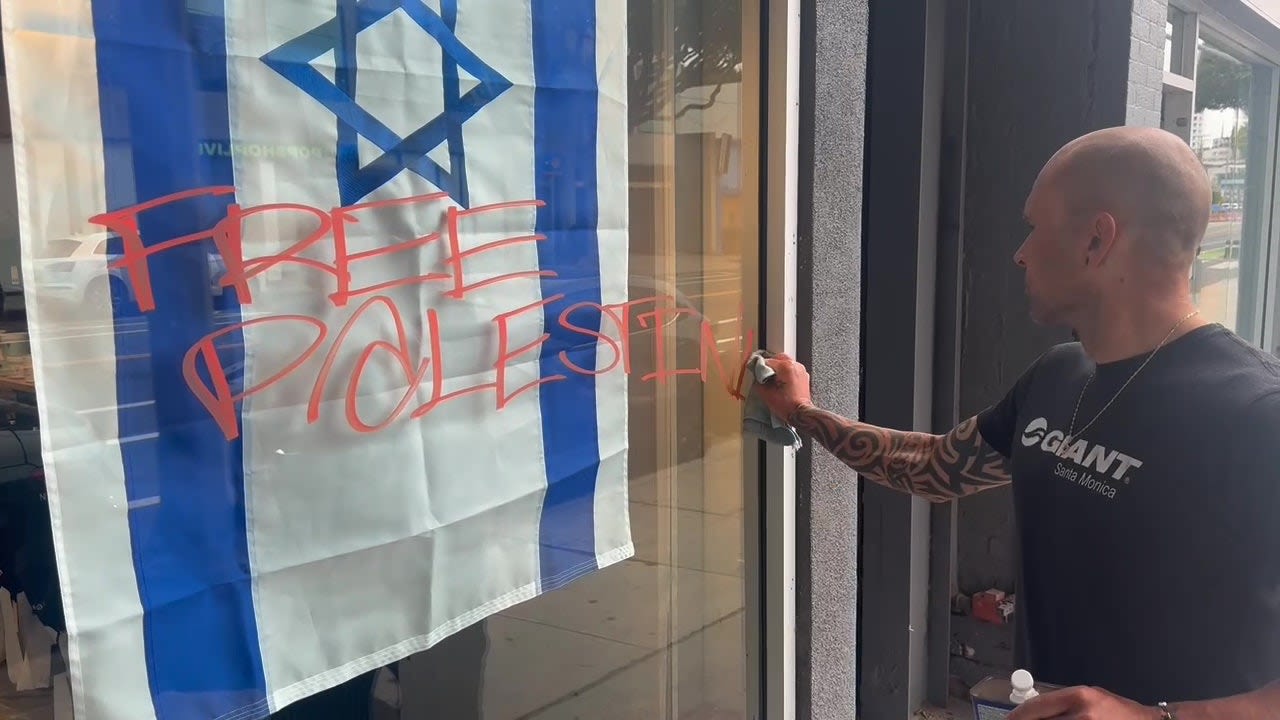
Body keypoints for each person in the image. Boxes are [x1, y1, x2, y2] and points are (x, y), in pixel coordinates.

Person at [757, 126, 1280, 719]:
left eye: (1036, 226)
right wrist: (801, 412)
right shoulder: (1058, 376)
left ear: (1095, 240)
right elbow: (934, 468)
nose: (1021, 252)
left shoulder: (1258, 416)